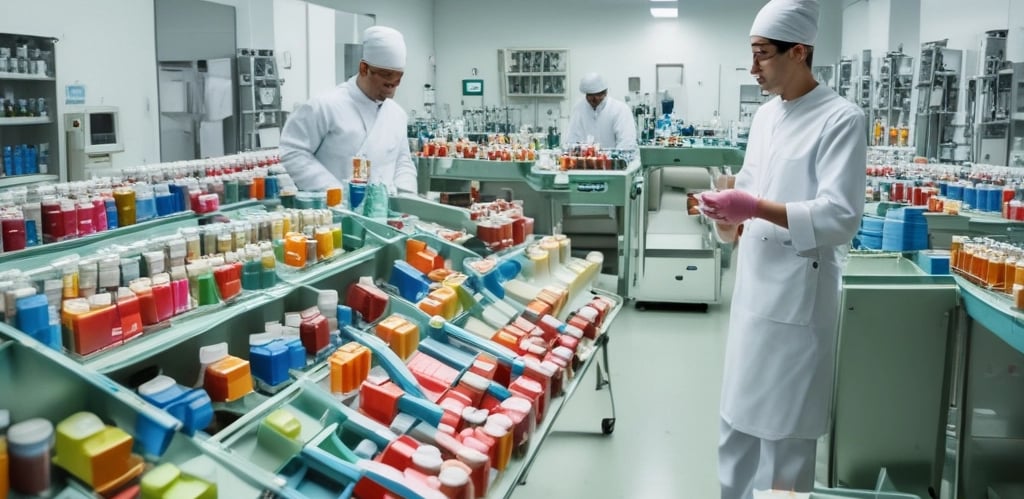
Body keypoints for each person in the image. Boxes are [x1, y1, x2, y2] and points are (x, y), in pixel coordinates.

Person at [698, 0, 866, 497]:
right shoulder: (765, 117)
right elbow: (749, 189)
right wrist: (727, 216)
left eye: (762, 54)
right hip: (752, 296)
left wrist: (753, 206)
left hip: (799, 302)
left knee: (784, 446)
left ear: (799, 52)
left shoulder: (841, 119)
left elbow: (840, 216)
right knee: (736, 428)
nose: (753, 69)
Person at [280, 26, 417, 195]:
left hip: (383, 208)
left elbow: (403, 162)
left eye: (397, 80)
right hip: (333, 206)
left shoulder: (397, 115)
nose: (391, 90)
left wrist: (407, 198)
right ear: (364, 68)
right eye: (386, 79)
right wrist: (336, 192)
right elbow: (293, 152)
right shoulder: (325, 106)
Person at [563, 73, 637, 151]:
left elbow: (626, 142)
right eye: (590, 95)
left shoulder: (620, 109)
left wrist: (612, 157)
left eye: (598, 95)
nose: (594, 99)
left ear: (605, 93)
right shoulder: (579, 108)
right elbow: (572, 139)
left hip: (613, 157)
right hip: (585, 158)